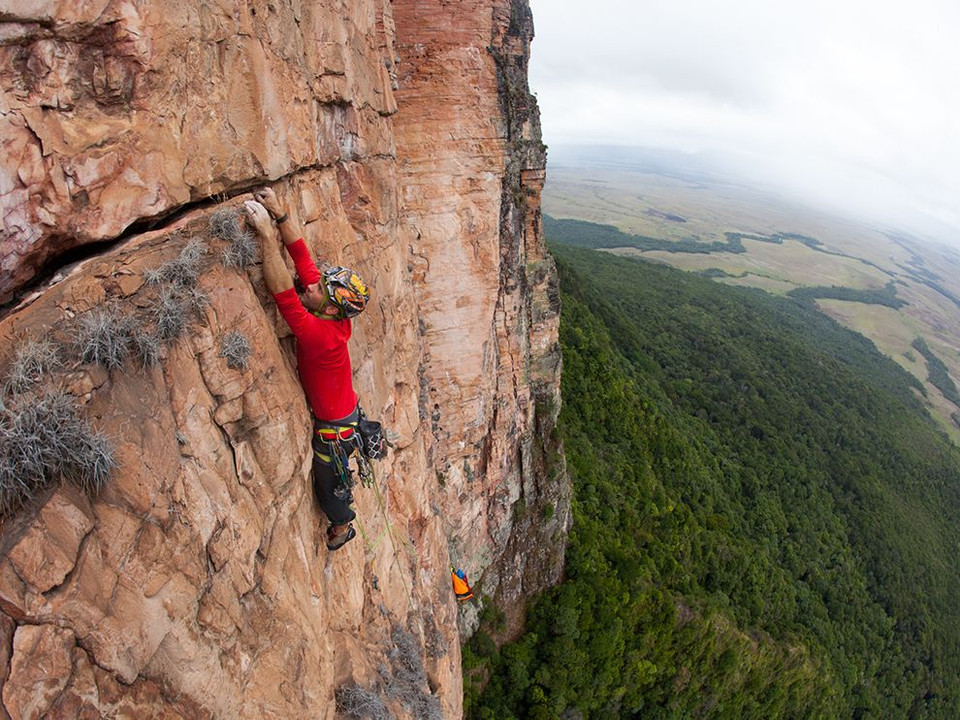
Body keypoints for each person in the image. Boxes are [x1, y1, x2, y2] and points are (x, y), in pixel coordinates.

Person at [244, 188, 370, 551]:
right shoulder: (327, 308)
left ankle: (343, 525)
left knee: (329, 488)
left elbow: (282, 292)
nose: (311, 285)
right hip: (345, 412)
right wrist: (280, 215)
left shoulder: (321, 335)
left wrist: (267, 236)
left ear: (331, 309)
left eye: (319, 289)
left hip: (335, 430)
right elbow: (301, 256)